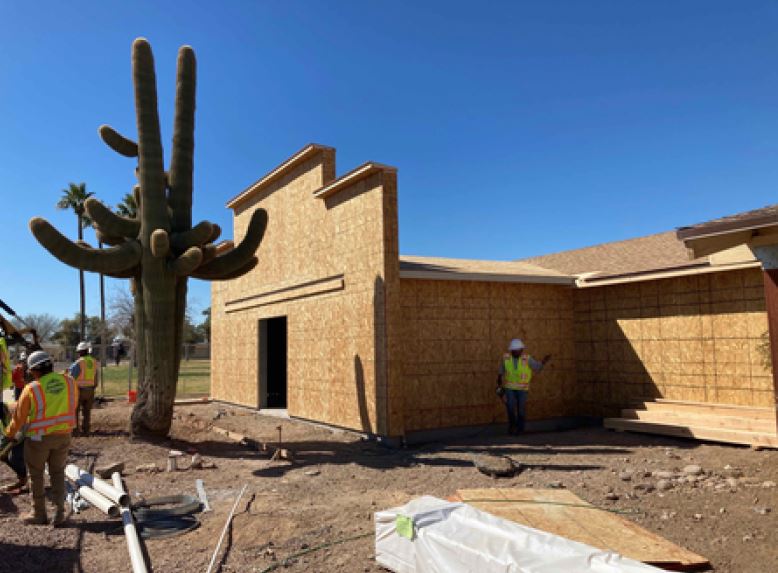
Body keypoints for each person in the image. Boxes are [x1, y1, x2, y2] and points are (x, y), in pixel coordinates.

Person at [4, 350, 77, 525]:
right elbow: (72, 405)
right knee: (58, 473)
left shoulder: (32, 389)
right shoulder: (69, 382)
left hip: (39, 440)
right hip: (64, 436)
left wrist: (8, 435)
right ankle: (59, 513)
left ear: (34, 370)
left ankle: (39, 514)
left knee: (36, 476)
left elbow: (19, 418)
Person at [496, 339, 551, 435]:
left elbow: (537, 367)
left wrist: (543, 362)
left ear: (521, 350)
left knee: (521, 410)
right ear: (511, 350)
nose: (515, 352)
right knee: (510, 408)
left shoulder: (527, 359)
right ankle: (512, 427)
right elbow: (501, 370)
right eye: (513, 350)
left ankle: (520, 429)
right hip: (510, 388)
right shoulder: (506, 358)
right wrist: (499, 382)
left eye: (517, 350)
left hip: (522, 389)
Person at [69, 341, 100, 436]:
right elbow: (95, 376)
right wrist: (94, 386)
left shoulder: (79, 363)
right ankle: (86, 430)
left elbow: (71, 377)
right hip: (90, 390)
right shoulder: (94, 361)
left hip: (79, 390)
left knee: (75, 411)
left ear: (80, 352)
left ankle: (75, 431)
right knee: (87, 412)